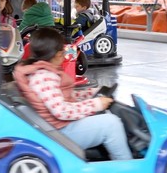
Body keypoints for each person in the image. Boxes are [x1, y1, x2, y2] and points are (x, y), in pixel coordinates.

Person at [13, 27, 133, 160]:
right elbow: (61, 111)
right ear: (57, 54)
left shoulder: (40, 72)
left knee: (104, 115)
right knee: (111, 124)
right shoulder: (44, 77)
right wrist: (95, 104)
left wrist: (89, 93)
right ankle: (127, 165)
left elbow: (61, 97)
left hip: (58, 126)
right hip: (60, 133)